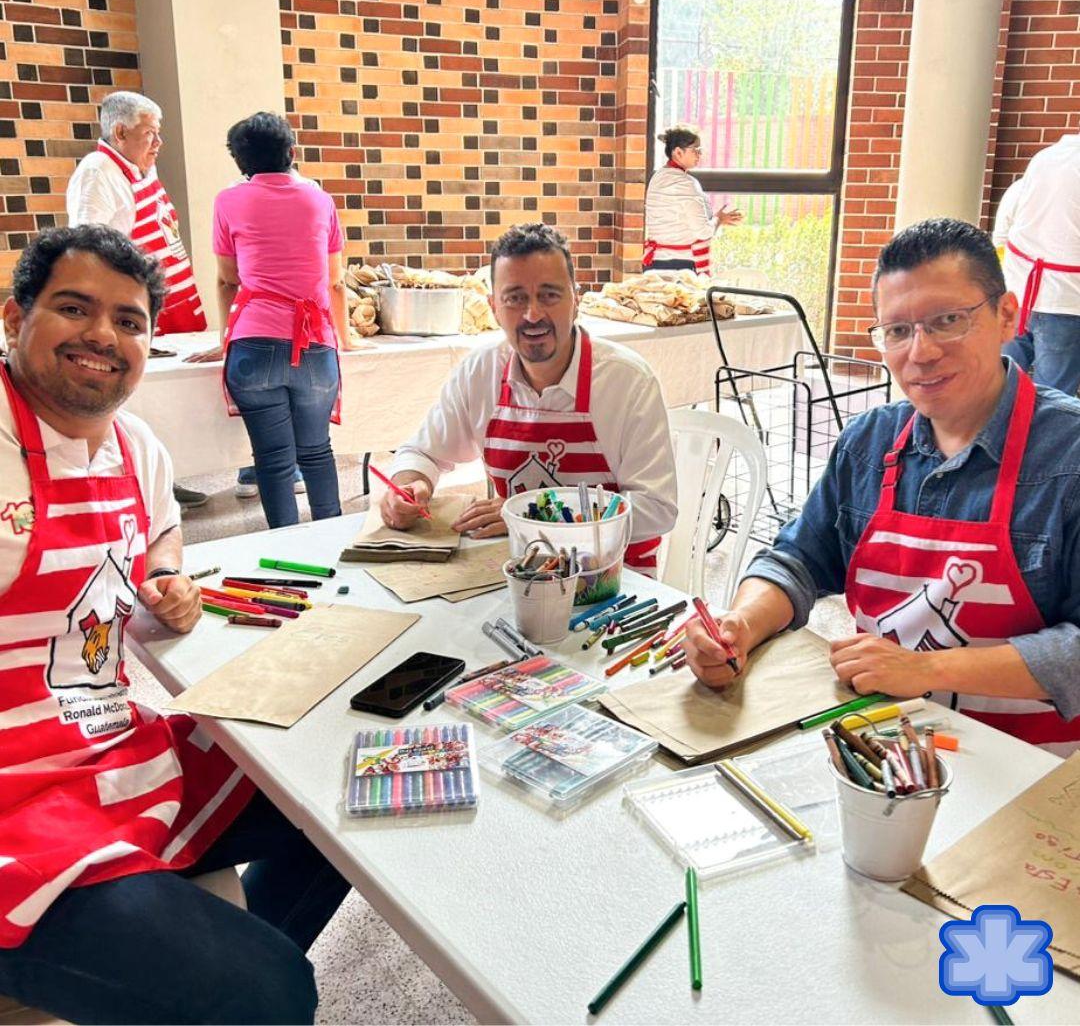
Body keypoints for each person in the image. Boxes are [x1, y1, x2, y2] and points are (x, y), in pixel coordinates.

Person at [0, 226, 349, 1022]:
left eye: (129, 320)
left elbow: (159, 539)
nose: (103, 335)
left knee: (345, 797)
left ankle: (194, 964)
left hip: (111, 745)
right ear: (15, 317)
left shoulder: (137, 445)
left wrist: (166, 577)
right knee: (267, 991)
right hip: (15, 807)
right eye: (74, 308)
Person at [685, 218, 1080, 757]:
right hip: (881, 753)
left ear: (1007, 316)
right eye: (897, 331)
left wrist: (927, 668)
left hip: (1026, 769)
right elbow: (798, 559)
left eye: (947, 321)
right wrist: (740, 624)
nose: (920, 353)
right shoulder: (869, 444)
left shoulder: (1068, 456)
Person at [381, 222, 677, 575]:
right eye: (515, 298)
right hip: (519, 575)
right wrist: (409, 486)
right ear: (494, 307)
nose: (533, 314)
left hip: (616, 586)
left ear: (576, 299)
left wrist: (532, 515)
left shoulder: (627, 382)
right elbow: (423, 452)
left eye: (549, 295)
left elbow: (657, 507)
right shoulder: (481, 371)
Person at [186, 111, 358, 528]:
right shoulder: (319, 198)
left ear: (240, 162)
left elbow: (229, 281)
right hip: (315, 343)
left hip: (252, 345)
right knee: (316, 453)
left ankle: (284, 549)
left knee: (272, 460)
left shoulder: (228, 200)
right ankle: (332, 539)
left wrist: (226, 339)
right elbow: (335, 282)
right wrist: (347, 340)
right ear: (292, 152)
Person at [66, 90, 208, 509]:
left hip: (153, 302)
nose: (158, 143)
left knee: (163, 397)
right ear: (120, 131)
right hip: (123, 308)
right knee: (136, 398)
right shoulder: (98, 172)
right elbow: (88, 246)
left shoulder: (137, 169)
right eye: (150, 134)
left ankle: (164, 474)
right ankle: (144, 483)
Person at [1000, 131, 1080, 396]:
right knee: (1053, 400)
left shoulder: (1044, 159)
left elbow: (1004, 226)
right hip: (1067, 300)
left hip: (1017, 292)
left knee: (998, 387)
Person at [643, 125, 742, 274]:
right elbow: (703, 231)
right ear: (678, 152)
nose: (699, 154)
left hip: (655, 262)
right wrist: (719, 219)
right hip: (680, 266)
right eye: (695, 150)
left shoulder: (657, 177)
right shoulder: (686, 183)